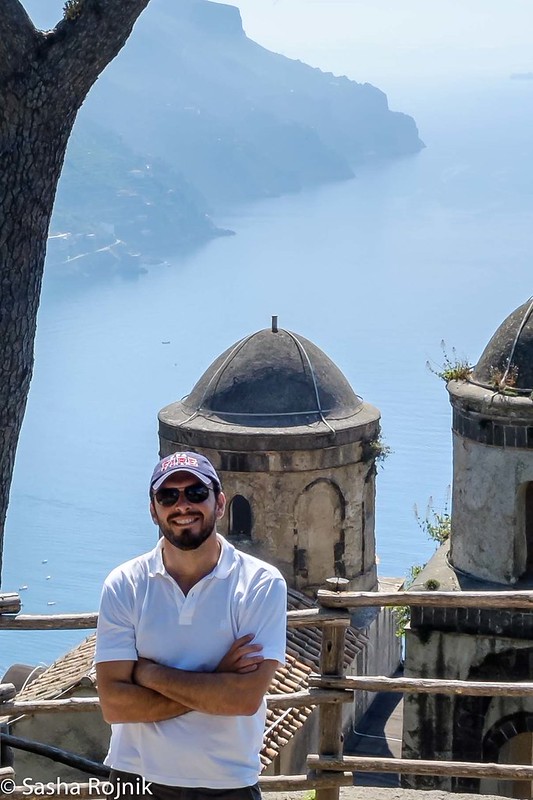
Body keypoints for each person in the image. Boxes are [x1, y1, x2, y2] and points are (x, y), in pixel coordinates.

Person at [95, 451, 287, 799]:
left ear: (221, 503)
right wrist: (217, 680)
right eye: (168, 496)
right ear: (154, 510)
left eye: (196, 493)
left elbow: (243, 699)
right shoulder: (125, 584)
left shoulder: (261, 583)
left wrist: (148, 675)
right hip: (135, 779)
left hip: (227, 784)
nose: (182, 505)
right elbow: (115, 705)